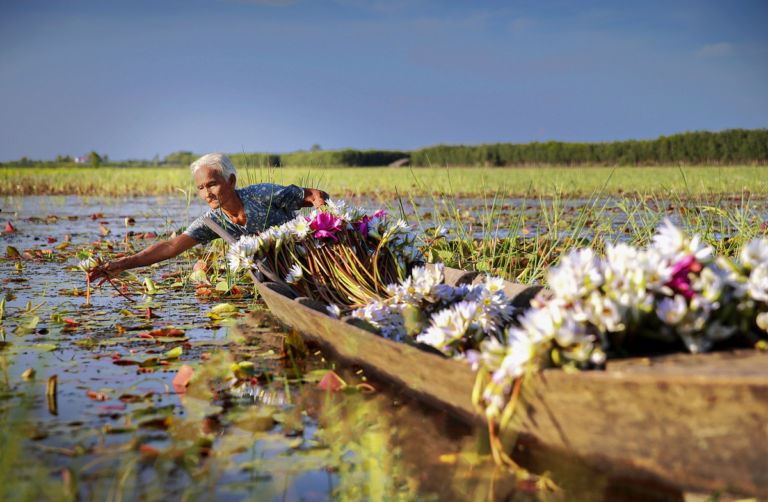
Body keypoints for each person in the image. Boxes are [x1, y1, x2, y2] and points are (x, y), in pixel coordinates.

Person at [88, 152, 328, 281]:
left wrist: (321, 210)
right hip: (277, 272)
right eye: (200, 188)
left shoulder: (261, 194)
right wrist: (121, 264)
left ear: (231, 181)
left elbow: (314, 195)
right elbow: (171, 246)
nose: (207, 193)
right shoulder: (212, 221)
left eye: (212, 185)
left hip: (309, 259)